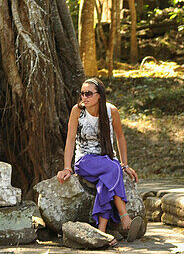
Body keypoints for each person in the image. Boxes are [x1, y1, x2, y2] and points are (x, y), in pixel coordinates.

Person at [58, 78, 145, 244]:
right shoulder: (78, 111)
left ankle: (101, 232)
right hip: (85, 161)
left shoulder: (111, 111)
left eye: (89, 93)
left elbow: (120, 137)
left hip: (106, 160)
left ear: (99, 95)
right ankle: (124, 217)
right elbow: (70, 140)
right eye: (82, 93)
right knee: (113, 168)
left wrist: (124, 164)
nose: (84, 97)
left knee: (105, 181)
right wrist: (67, 168)